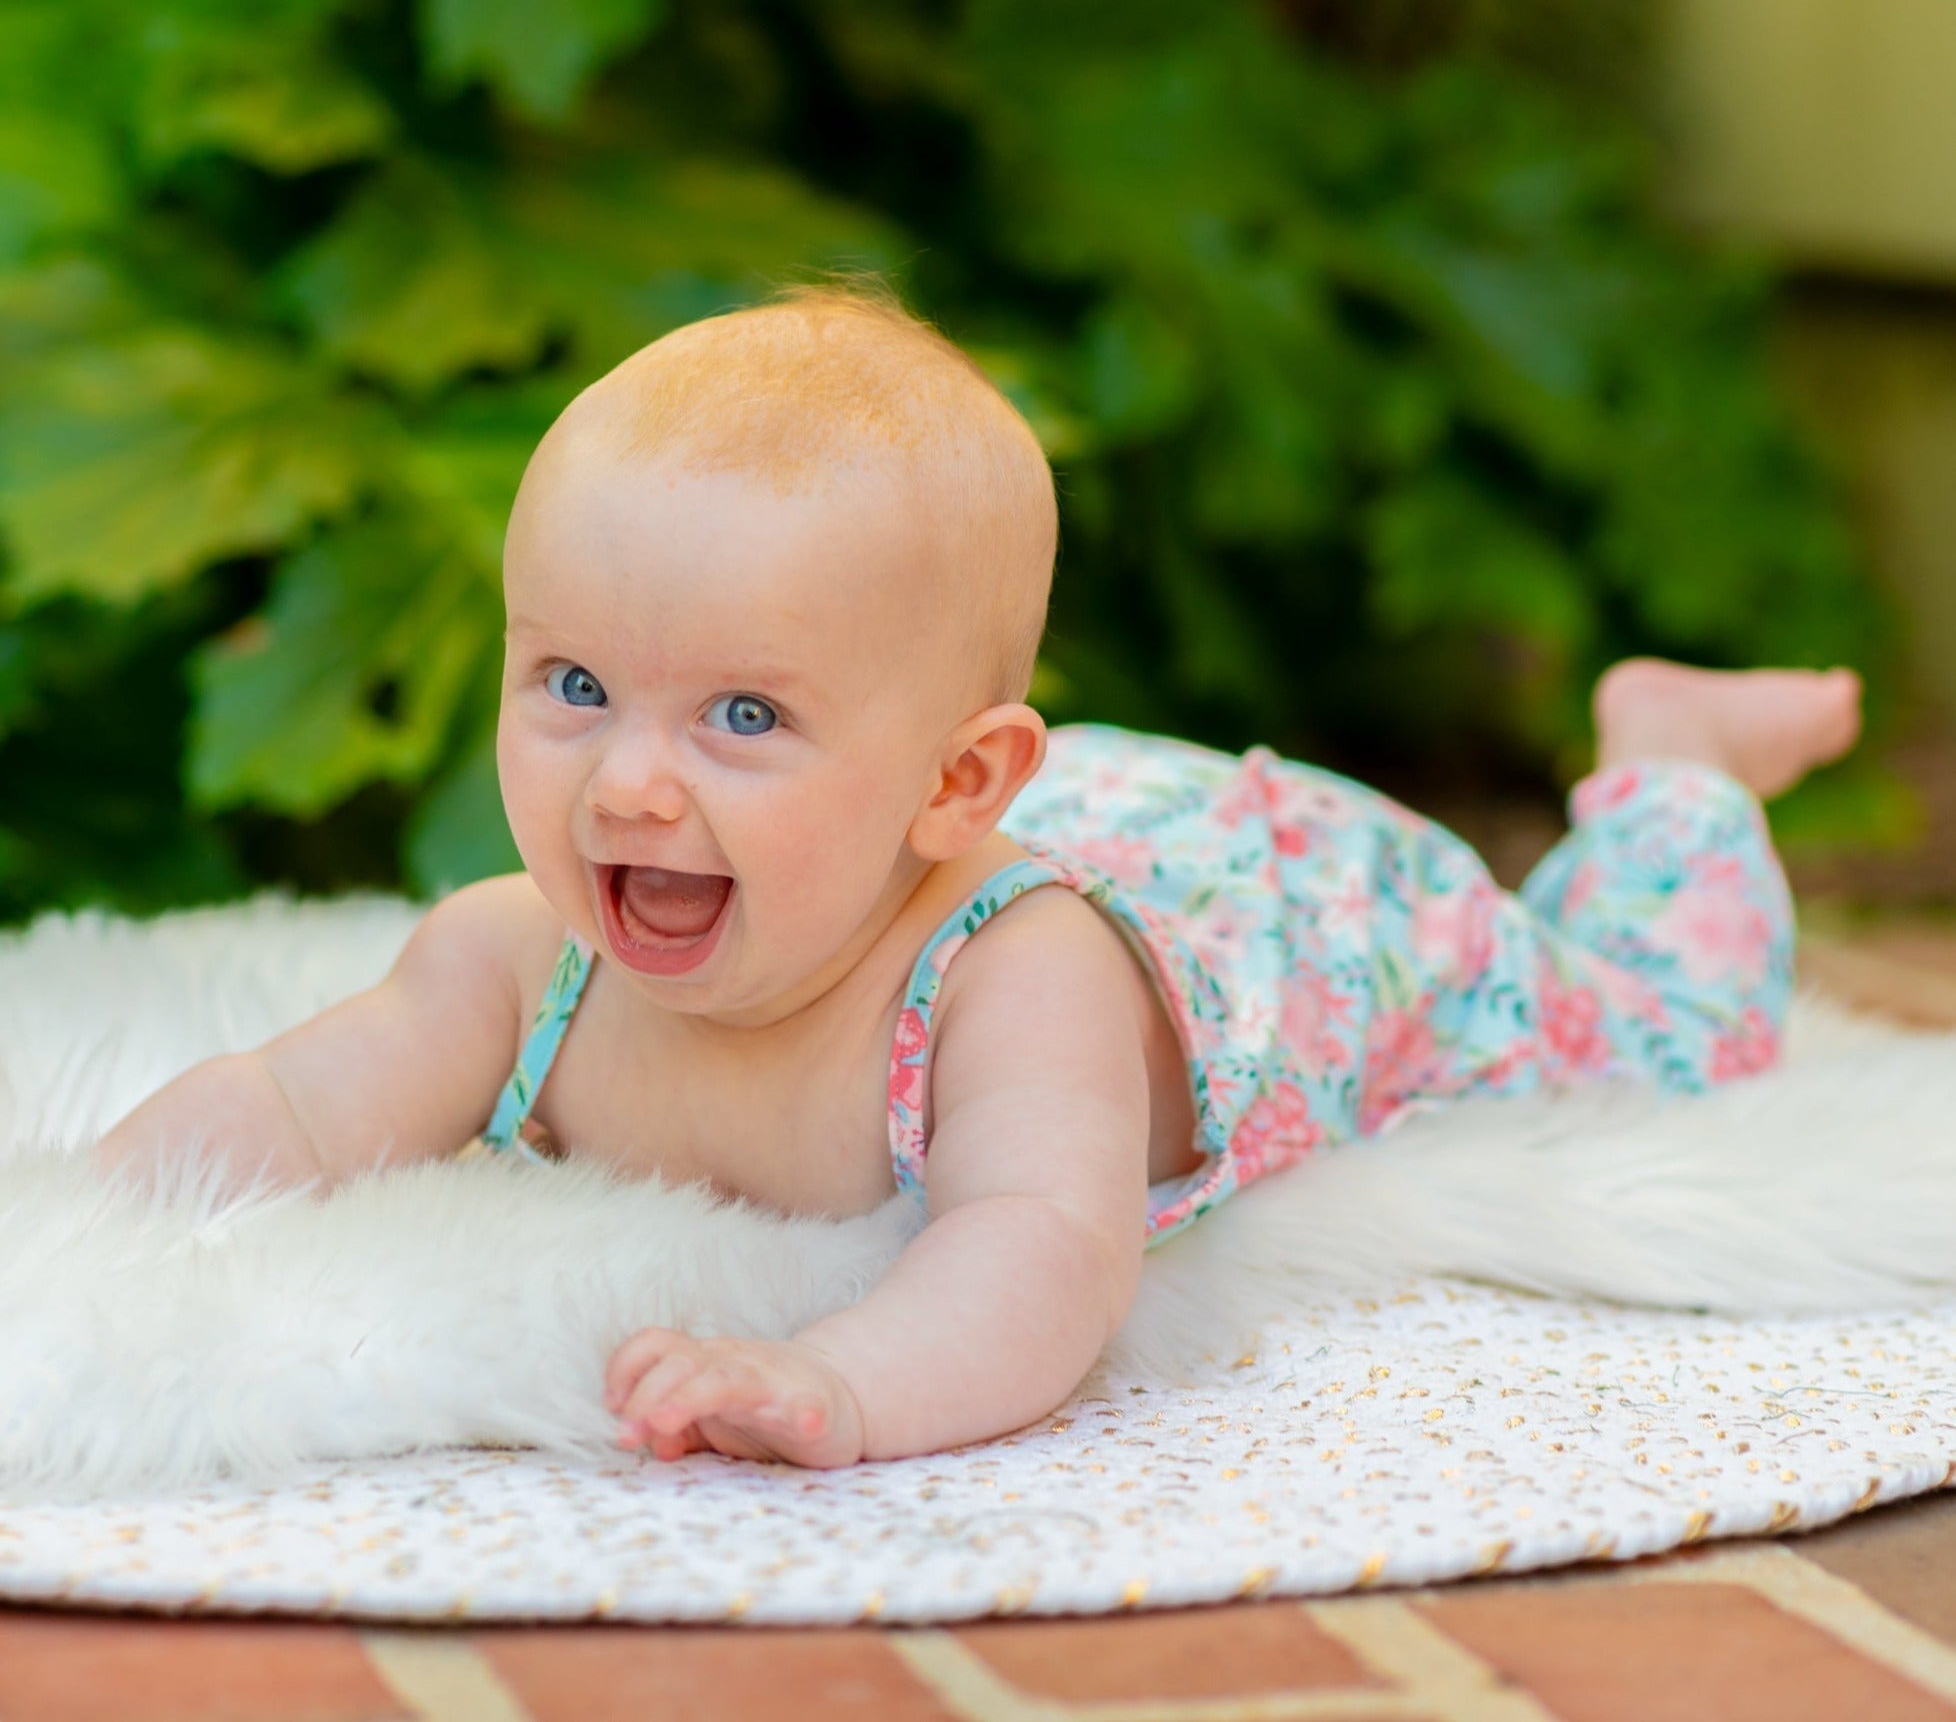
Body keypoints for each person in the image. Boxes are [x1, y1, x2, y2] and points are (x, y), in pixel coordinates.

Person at [95, 285, 1864, 1470]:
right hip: (1017, 805)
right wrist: (79, 1220)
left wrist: (845, 1382)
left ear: (955, 781)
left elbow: (1047, 1248)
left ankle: (1673, 769)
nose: (628, 778)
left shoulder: (1023, 987)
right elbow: (293, 1105)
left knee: (1665, 1032)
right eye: (572, 685)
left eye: (738, 712)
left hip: (1301, 906)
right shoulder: (511, 961)